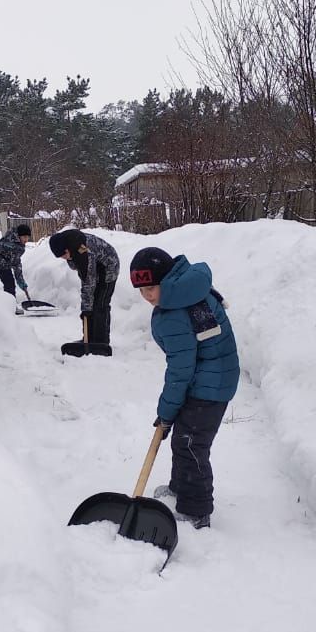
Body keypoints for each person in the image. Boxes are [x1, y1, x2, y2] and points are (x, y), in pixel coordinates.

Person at [129, 247, 239, 531]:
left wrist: (166, 412)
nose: (147, 296)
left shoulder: (174, 313)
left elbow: (180, 371)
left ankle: (197, 510)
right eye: (141, 291)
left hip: (210, 384)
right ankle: (181, 487)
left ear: (166, 280)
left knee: (190, 444)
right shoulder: (186, 290)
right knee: (184, 438)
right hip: (213, 374)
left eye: (151, 288)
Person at [49, 228, 118, 346]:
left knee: (100, 304)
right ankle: (88, 338)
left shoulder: (84, 252)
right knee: (90, 307)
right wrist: (86, 309)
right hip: (95, 267)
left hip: (108, 267)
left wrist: (86, 309)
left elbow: (88, 283)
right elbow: (85, 276)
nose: (64, 258)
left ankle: (101, 342)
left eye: (64, 255)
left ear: (67, 249)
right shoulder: (70, 247)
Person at [0, 223, 31, 302]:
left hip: (4, 262)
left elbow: (16, 263)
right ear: (19, 236)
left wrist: (21, 282)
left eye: (28, 237)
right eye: (24, 237)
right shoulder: (14, 245)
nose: (26, 239)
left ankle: (9, 303)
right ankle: (10, 305)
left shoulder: (16, 241)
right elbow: (16, 265)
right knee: (9, 284)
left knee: (9, 283)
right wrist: (21, 281)